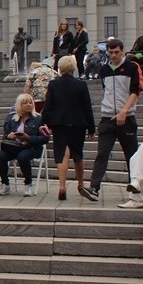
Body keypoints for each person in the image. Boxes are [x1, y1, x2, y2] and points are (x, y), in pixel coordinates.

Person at [82, 38, 143, 203]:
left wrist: (124, 111)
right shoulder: (104, 69)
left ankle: (135, 188)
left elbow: (135, 91)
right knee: (102, 153)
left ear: (122, 51)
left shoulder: (131, 67)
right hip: (107, 116)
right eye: (111, 52)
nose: (114, 55)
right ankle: (94, 188)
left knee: (132, 155)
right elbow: (106, 89)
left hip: (127, 117)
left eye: (116, 52)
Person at [41, 56, 95, 201]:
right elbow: (87, 107)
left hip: (59, 123)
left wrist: (46, 122)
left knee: (62, 154)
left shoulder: (53, 84)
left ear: (60, 68)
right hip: (78, 123)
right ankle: (81, 183)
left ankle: (62, 187)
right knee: (78, 154)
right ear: (74, 67)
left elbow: (48, 105)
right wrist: (91, 128)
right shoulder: (81, 84)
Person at [0, 94, 47, 197]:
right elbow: (5, 136)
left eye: (30, 102)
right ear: (19, 105)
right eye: (25, 103)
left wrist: (28, 138)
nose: (28, 105)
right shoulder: (11, 118)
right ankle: (5, 183)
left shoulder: (38, 119)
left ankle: (28, 184)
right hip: (14, 147)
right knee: (1, 155)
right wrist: (10, 136)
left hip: (32, 148)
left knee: (22, 156)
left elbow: (45, 138)